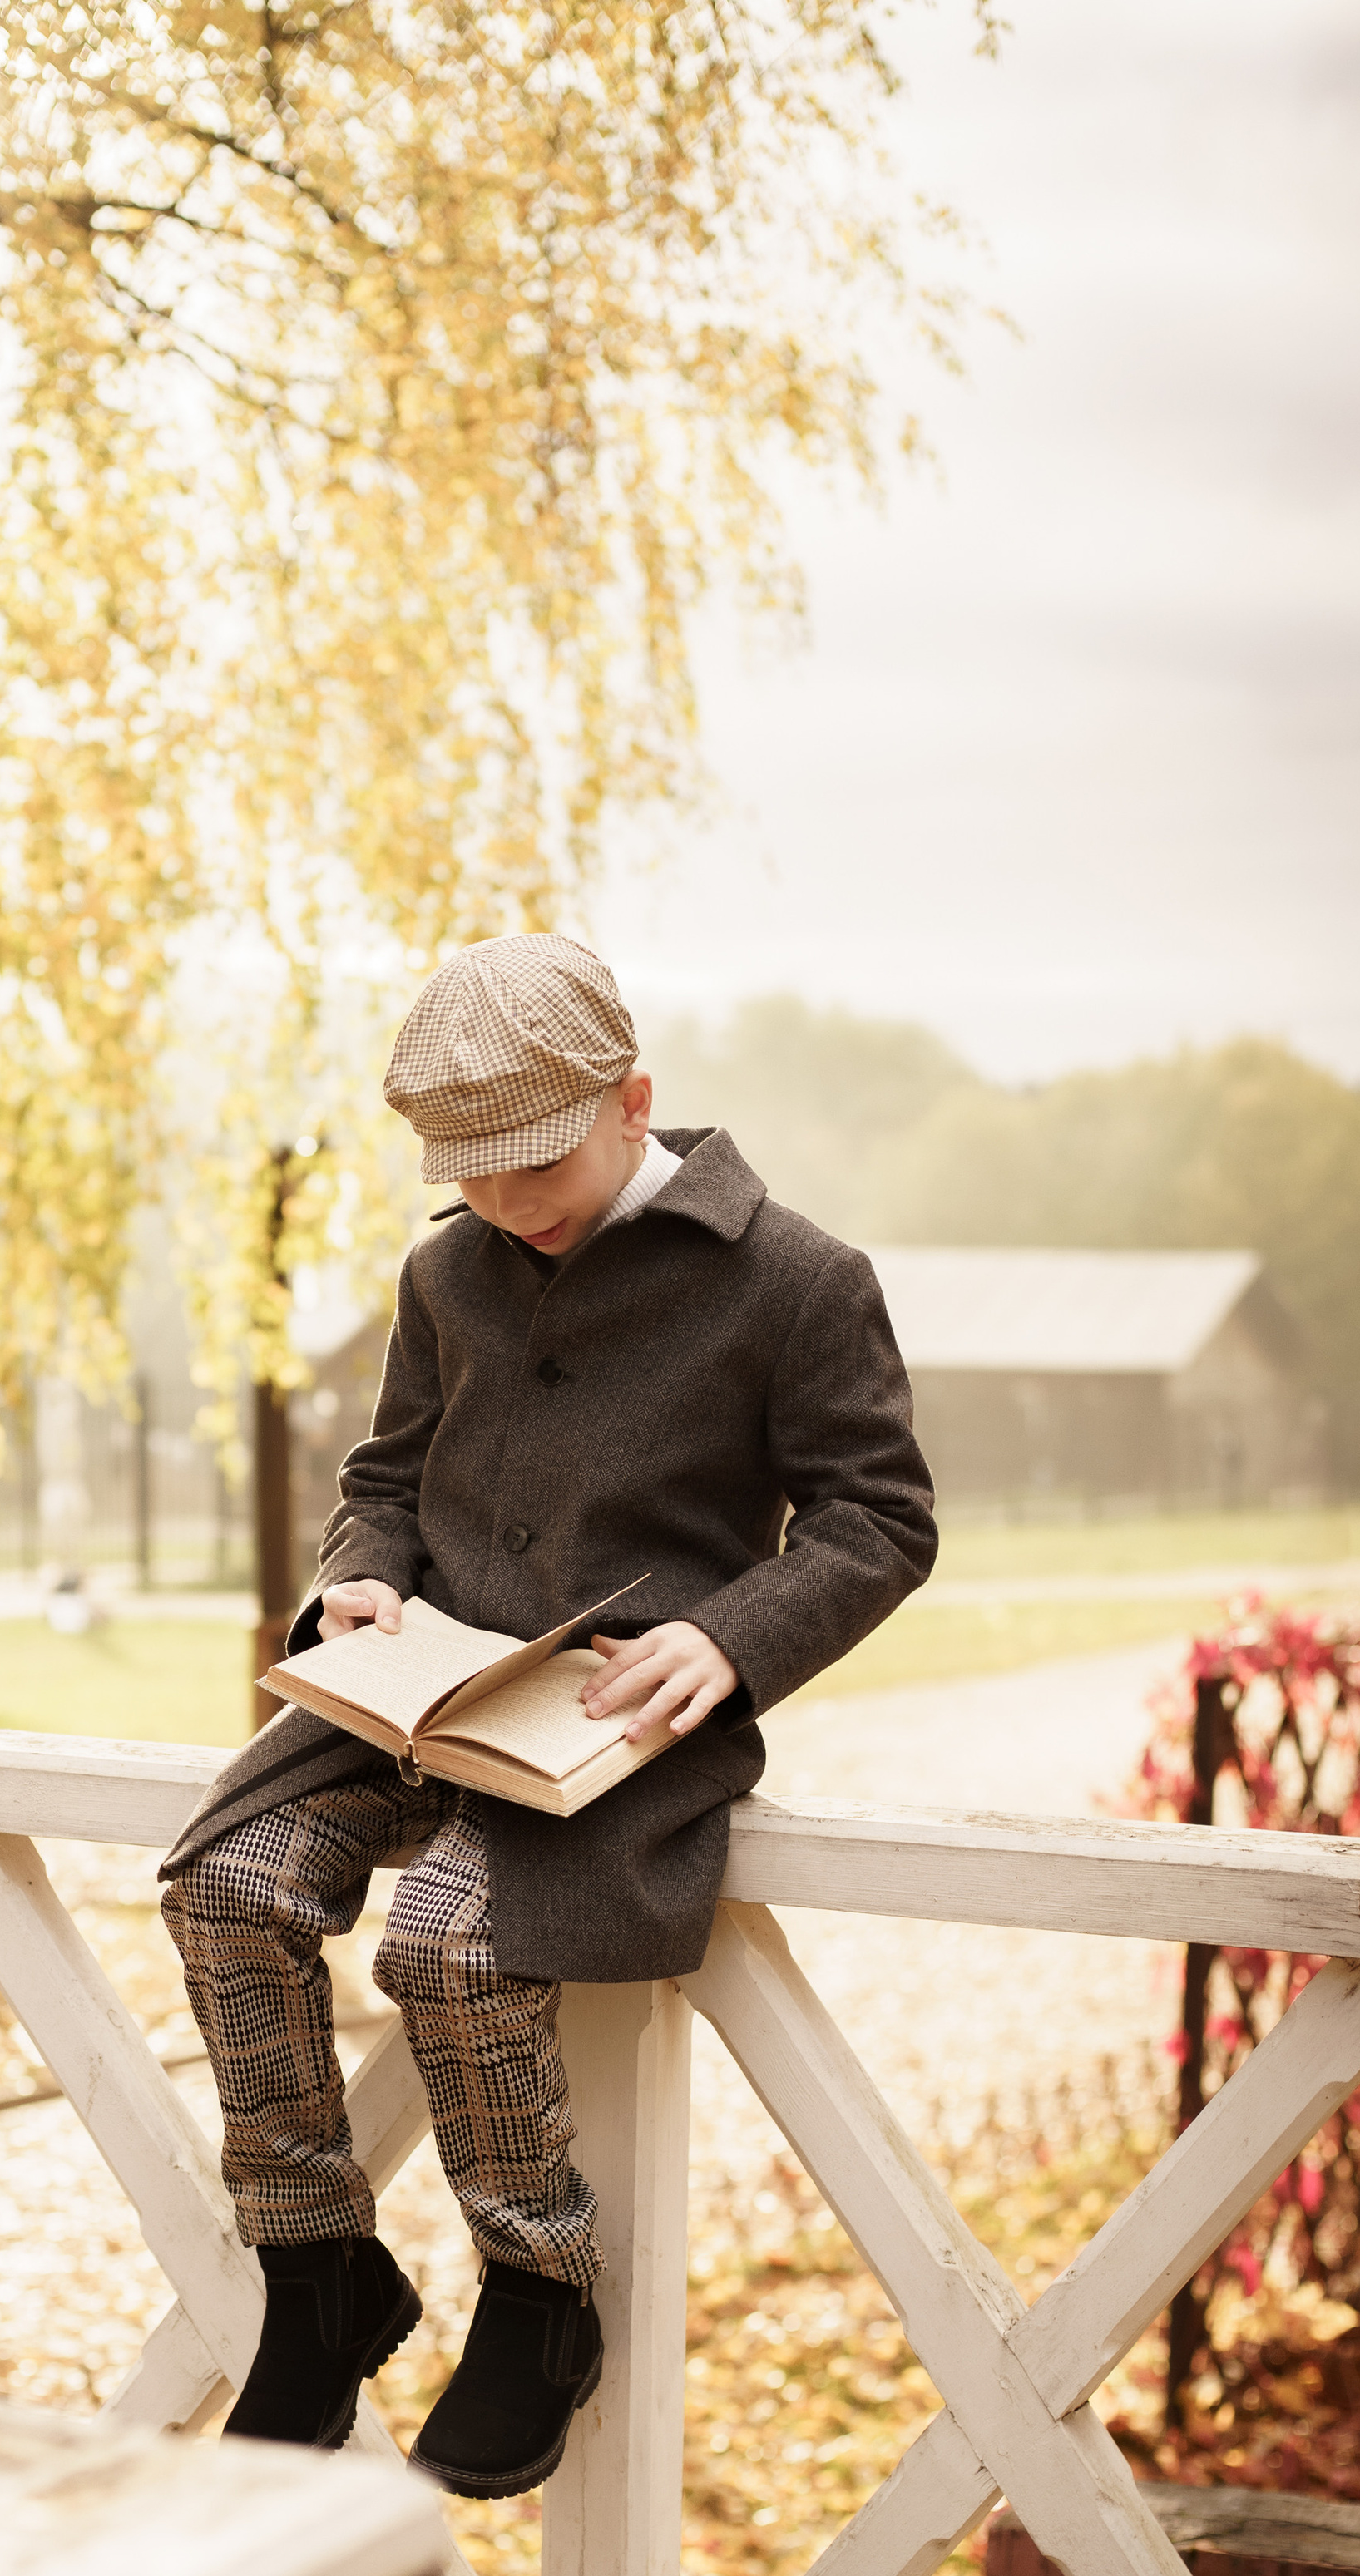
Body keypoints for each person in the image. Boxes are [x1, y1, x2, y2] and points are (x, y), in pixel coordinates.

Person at [159, 933, 935, 2497]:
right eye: (473, 1173)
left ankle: (539, 2288)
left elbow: (878, 1519)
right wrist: (357, 1585)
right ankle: (318, 2270)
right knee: (223, 1883)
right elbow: (384, 1479)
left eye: (534, 1165)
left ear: (633, 1099)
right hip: (412, 1696)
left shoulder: (800, 1281)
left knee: (445, 1941)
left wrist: (730, 1638)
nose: (505, 1205)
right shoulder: (446, 1270)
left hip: (622, 1726)